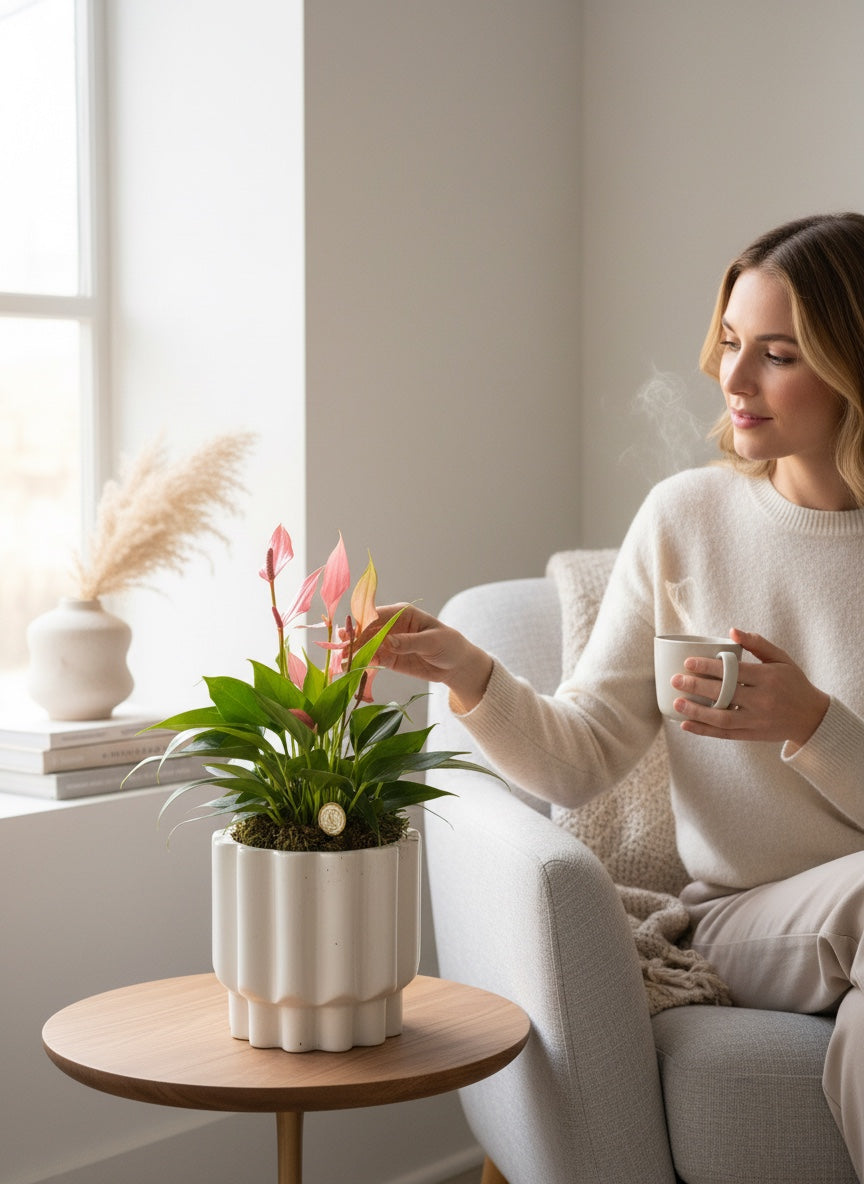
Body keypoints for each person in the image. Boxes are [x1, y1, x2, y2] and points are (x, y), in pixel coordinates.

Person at [361, 212, 864, 1180]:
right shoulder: (691, 516)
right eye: (728, 342)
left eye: (779, 353)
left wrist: (812, 724)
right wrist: (470, 671)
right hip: (745, 916)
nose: (734, 379)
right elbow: (580, 754)